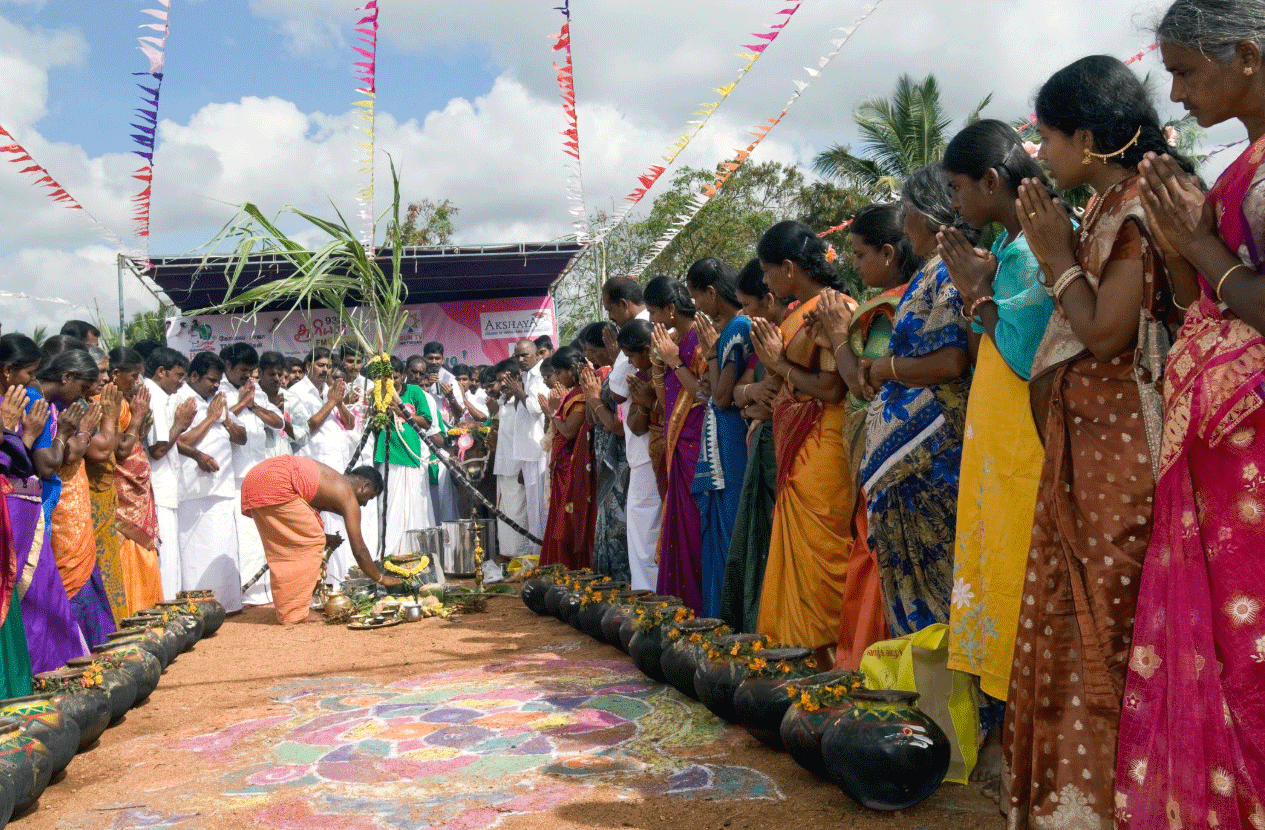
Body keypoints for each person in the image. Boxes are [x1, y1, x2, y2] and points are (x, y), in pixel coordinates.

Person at [1004, 56, 1191, 829]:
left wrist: (1053, 259)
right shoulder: (1109, 203)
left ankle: (1114, 804)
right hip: (1087, 452)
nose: (1039, 154)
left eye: (1046, 137)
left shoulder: (1137, 207)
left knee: (1107, 627)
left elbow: (1107, 333)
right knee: (1076, 618)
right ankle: (1071, 801)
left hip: (1122, 459)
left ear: (1085, 137)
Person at [1114, 5, 1265, 827]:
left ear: (1244, 56)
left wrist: (1201, 253)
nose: (1172, 94)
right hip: (1227, 458)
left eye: (1184, 71)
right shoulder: (1247, 164)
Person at [935, 120, 1058, 790]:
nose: (954, 202)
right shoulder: (1006, 248)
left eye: (958, 187)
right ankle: (1006, 731)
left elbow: (1022, 347)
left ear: (990, 181)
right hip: (995, 441)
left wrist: (979, 290)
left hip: (1026, 441)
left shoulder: (1030, 247)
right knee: (993, 565)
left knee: (1018, 571)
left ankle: (1030, 744)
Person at [858, 166, 972, 639]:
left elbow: (950, 361)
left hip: (934, 465)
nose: (903, 225)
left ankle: (949, 708)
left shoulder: (950, 269)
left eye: (907, 212)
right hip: (906, 474)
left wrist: (886, 369)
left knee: (943, 600)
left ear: (931, 212)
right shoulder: (929, 273)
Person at [814, 204, 917, 668]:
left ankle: (867, 666)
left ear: (889, 253)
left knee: (875, 567)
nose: (854, 266)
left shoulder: (889, 308)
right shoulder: (911, 295)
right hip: (902, 452)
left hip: (890, 461)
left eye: (859, 255)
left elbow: (861, 382)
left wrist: (838, 335)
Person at [749, 222, 852, 667]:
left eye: (769, 273)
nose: (766, 283)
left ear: (789, 269)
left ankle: (832, 668)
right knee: (803, 566)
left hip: (824, 447)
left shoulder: (831, 308)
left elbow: (832, 389)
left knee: (824, 562)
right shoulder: (798, 313)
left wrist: (778, 366)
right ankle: (803, 665)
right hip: (801, 451)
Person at [0, 334, 85, 676]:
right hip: (11, 509)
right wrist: (21, 434)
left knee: (43, 593)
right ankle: (29, 671)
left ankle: (50, 665)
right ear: (8, 370)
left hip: (27, 509)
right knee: (21, 593)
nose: (33, 381)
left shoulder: (24, 399)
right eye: (28, 373)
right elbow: (28, 460)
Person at [240, 456, 397, 624]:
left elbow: (298, 529)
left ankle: (292, 606)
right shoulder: (348, 496)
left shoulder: (331, 483)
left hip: (254, 480)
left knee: (289, 547)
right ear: (364, 486)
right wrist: (381, 579)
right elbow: (359, 550)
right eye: (369, 497)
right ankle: (294, 613)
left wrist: (325, 538)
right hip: (276, 482)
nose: (365, 505)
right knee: (312, 541)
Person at [722, 259, 789, 632]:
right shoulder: (763, 336)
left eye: (748, 305)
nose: (745, 315)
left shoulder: (790, 331)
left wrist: (764, 403)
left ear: (768, 298)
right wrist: (753, 392)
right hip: (761, 450)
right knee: (758, 540)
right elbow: (735, 392)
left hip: (787, 452)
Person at [686, 258, 751, 619]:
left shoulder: (738, 326)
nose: (697, 307)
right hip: (721, 438)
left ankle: (730, 619)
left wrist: (712, 352)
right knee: (718, 529)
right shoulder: (731, 327)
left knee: (729, 525)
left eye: (697, 298)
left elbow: (721, 397)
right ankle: (718, 614)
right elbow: (712, 388)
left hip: (729, 439)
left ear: (712, 293)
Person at [39, 349, 114, 647]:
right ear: (65, 376)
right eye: (82, 389)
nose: (83, 397)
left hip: (74, 499)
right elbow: (65, 455)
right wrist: (81, 432)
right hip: (59, 506)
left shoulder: (63, 407)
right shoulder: (44, 405)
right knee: (67, 577)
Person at [647, 275, 706, 612]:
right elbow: (663, 397)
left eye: (655, 312)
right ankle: (679, 604)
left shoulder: (699, 339)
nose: (652, 321)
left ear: (670, 309)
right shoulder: (671, 341)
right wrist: (660, 364)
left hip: (695, 445)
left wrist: (673, 361)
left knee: (695, 527)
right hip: (676, 445)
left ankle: (699, 606)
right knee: (678, 528)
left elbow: (701, 392)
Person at [172, 352, 244, 613]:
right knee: (196, 553)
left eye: (218, 381)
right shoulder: (180, 400)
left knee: (223, 550)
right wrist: (211, 418)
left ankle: (228, 604)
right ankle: (198, 608)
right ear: (193, 376)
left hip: (222, 489)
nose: (215, 385)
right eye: (211, 380)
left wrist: (225, 420)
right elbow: (179, 442)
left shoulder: (218, 402)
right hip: (193, 491)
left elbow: (242, 437)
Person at [219, 343, 285, 606]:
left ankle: (265, 591)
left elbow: (279, 421)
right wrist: (240, 404)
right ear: (228, 367)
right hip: (235, 479)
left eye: (250, 372)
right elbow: (215, 421)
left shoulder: (254, 391)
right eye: (242, 371)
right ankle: (247, 593)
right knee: (244, 538)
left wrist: (253, 405)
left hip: (261, 474)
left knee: (261, 536)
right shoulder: (219, 391)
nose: (247, 377)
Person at [287, 348, 355, 580]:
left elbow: (351, 423)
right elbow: (303, 429)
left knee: (339, 518)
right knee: (321, 523)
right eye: (320, 365)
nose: (325, 370)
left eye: (327, 366)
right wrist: (331, 403)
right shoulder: (295, 393)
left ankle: (341, 576)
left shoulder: (329, 390)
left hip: (338, 464)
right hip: (314, 466)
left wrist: (338, 402)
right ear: (308, 366)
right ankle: (323, 581)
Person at [106, 346, 163, 615]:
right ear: (115, 374)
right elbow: (121, 450)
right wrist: (138, 415)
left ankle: (147, 608)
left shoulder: (125, 401)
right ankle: (133, 611)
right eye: (134, 376)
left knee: (143, 552)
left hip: (137, 487)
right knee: (128, 549)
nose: (138, 382)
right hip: (122, 492)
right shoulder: (109, 403)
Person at [364, 356, 437, 559]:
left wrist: (403, 412)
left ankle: (413, 553)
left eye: (395, 378)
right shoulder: (378, 395)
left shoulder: (414, 392)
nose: (392, 382)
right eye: (387, 378)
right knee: (387, 507)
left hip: (410, 456)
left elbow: (427, 422)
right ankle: (389, 553)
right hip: (387, 456)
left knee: (412, 507)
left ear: (403, 375)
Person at [143, 347, 195, 598]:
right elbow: (158, 449)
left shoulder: (160, 394)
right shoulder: (152, 395)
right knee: (165, 559)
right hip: (157, 487)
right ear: (161, 372)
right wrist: (180, 424)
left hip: (165, 487)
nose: (181, 382)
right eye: (178, 375)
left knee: (171, 557)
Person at [83, 348, 130, 623]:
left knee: (109, 571)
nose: (105, 378)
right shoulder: (80, 407)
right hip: (82, 503)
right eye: (99, 372)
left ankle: (113, 629)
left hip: (103, 500)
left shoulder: (100, 401)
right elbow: (103, 451)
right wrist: (111, 416)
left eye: (106, 371)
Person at [577, 323, 627, 582]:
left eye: (592, 351)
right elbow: (593, 419)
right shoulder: (605, 376)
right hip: (605, 460)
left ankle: (623, 584)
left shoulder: (620, 374)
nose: (590, 357)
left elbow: (618, 426)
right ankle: (608, 581)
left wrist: (596, 398)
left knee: (619, 527)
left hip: (621, 463)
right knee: (606, 523)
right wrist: (590, 394)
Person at [616, 320, 662, 591]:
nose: (631, 363)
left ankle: (652, 590)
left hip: (655, 458)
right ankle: (644, 589)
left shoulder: (664, 370)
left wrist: (648, 402)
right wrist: (644, 403)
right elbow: (635, 424)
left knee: (648, 530)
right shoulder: (643, 377)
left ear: (647, 350)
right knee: (641, 529)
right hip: (645, 456)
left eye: (632, 356)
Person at [538, 347, 592, 570]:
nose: (556, 379)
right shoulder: (571, 394)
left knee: (568, 518)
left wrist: (553, 411)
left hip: (573, 466)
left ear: (571, 370)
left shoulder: (580, 395)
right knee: (560, 515)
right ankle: (559, 566)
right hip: (562, 466)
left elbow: (569, 431)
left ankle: (570, 568)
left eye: (559, 373)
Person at [506, 338, 548, 546]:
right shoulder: (526, 376)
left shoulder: (540, 376)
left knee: (540, 508)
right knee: (533, 508)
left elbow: (535, 407)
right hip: (528, 452)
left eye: (525, 355)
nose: (521, 359)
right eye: (517, 356)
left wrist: (519, 392)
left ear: (536, 355)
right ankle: (536, 552)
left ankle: (541, 552)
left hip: (538, 451)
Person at [490, 360, 527, 575]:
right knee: (504, 513)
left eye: (503, 380)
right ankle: (507, 553)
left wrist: (524, 465)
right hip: (502, 465)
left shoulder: (523, 401)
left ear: (516, 377)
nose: (500, 385)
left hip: (518, 466)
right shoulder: (503, 401)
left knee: (518, 512)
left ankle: (521, 556)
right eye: (498, 380)